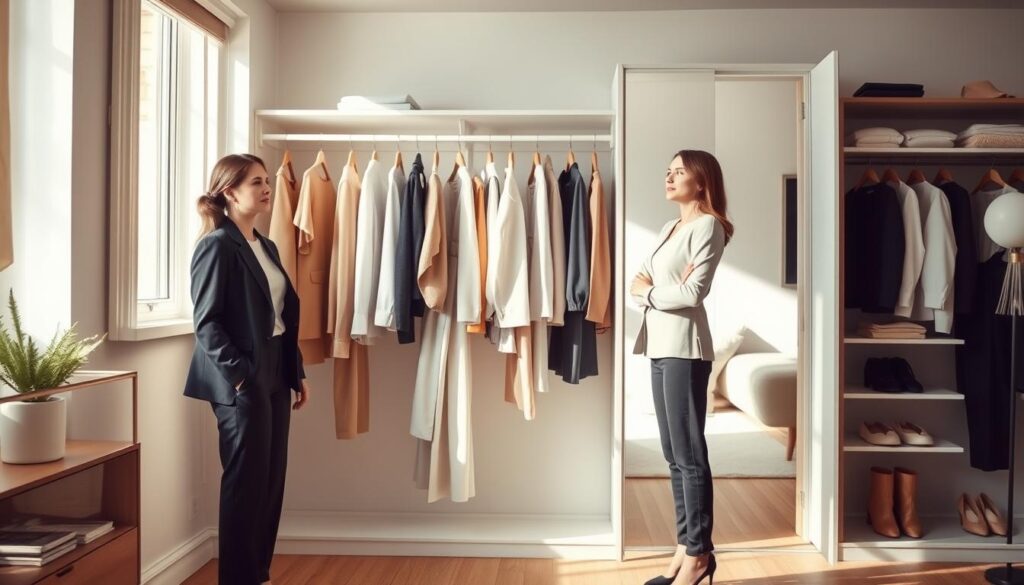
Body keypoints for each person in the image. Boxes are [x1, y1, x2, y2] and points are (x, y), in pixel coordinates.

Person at [183, 153, 310, 585]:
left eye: (266, 180)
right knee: (245, 484)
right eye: (256, 182)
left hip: (275, 369)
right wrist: (241, 376)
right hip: (241, 378)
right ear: (229, 192)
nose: (267, 187)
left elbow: (279, 316)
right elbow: (207, 324)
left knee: (271, 481)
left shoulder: (265, 244)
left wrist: (296, 372)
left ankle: (258, 574)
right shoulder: (216, 245)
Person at [631, 149, 733, 585]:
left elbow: (692, 294)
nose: (669, 177)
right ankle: (684, 543)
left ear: (702, 181)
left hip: (685, 351)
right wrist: (656, 289)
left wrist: (654, 292)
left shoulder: (709, 226)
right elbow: (638, 278)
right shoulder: (670, 227)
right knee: (673, 454)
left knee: (690, 454)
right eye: (667, 170)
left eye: (679, 171)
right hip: (659, 344)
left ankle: (699, 555)